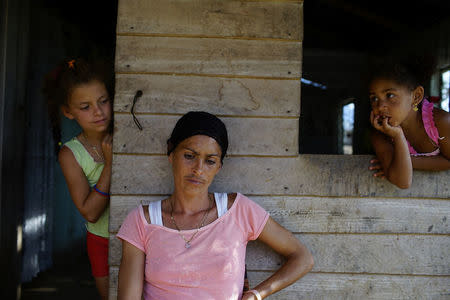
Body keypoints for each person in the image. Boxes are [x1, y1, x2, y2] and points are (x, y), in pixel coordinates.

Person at [117, 111, 314, 300]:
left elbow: (302, 258)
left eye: (210, 161)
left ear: (219, 166)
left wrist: (256, 294)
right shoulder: (142, 221)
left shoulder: (238, 211)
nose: (198, 169)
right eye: (189, 156)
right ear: (171, 153)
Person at [43, 58, 113, 300]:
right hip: (101, 241)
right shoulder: (71, 154)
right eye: (85, 106)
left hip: (142, 236)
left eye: (103, 101)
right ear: (68, 112)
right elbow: (90, 213)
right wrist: (110, 164)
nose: (98, 111)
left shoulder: (127, 132)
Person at [368, 53, 450, 189]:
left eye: (390, 95)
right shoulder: (380, 135)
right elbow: (402, 182)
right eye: (374, 98)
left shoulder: (441, 122)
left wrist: (404, 162)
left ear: (416, 96)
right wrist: (398, 136)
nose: (380, 106)